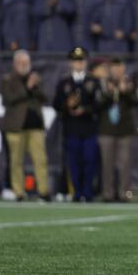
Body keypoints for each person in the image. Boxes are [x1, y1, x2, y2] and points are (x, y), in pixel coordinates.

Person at [53, 47, 103, 202]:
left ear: (85, 62)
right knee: (73, 163)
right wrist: (67, 105)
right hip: (71, 128)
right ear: (71, 63)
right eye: (76, 61)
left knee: (89, 161)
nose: (79, 64)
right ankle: (76, 192)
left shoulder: (93, 82)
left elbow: (99, 105)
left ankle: (87, 193)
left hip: (89, 128)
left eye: (81, 61)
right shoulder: (64, 83)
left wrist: (85, 109)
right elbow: (56, 105)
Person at [1, 50, 50, 201]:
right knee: (16, 161)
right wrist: (27, 87)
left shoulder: (35, 78)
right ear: (15, 64)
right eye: (21, 63)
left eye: (26, 63)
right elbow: (8, 99)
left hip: (35, 125)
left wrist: (35, 86)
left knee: (40, 160)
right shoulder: (8, 79)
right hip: (16, 126)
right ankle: (19, 192)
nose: (24, 66)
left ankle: (43, 191)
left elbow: (45, 97)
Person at [97, 58, 138, 202]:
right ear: (110, 69)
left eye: (120, 67)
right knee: (106, 164)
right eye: (115, 67)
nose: (117, 70)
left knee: (125, 164)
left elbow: (137, 102)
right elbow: (97, 104)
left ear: (124, 68)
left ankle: (124, 193)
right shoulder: (102, 83)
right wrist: (109, 93)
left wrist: (125, 91)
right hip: (107, 129)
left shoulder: (129, 82)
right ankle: (108, 193)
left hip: (125, 130)